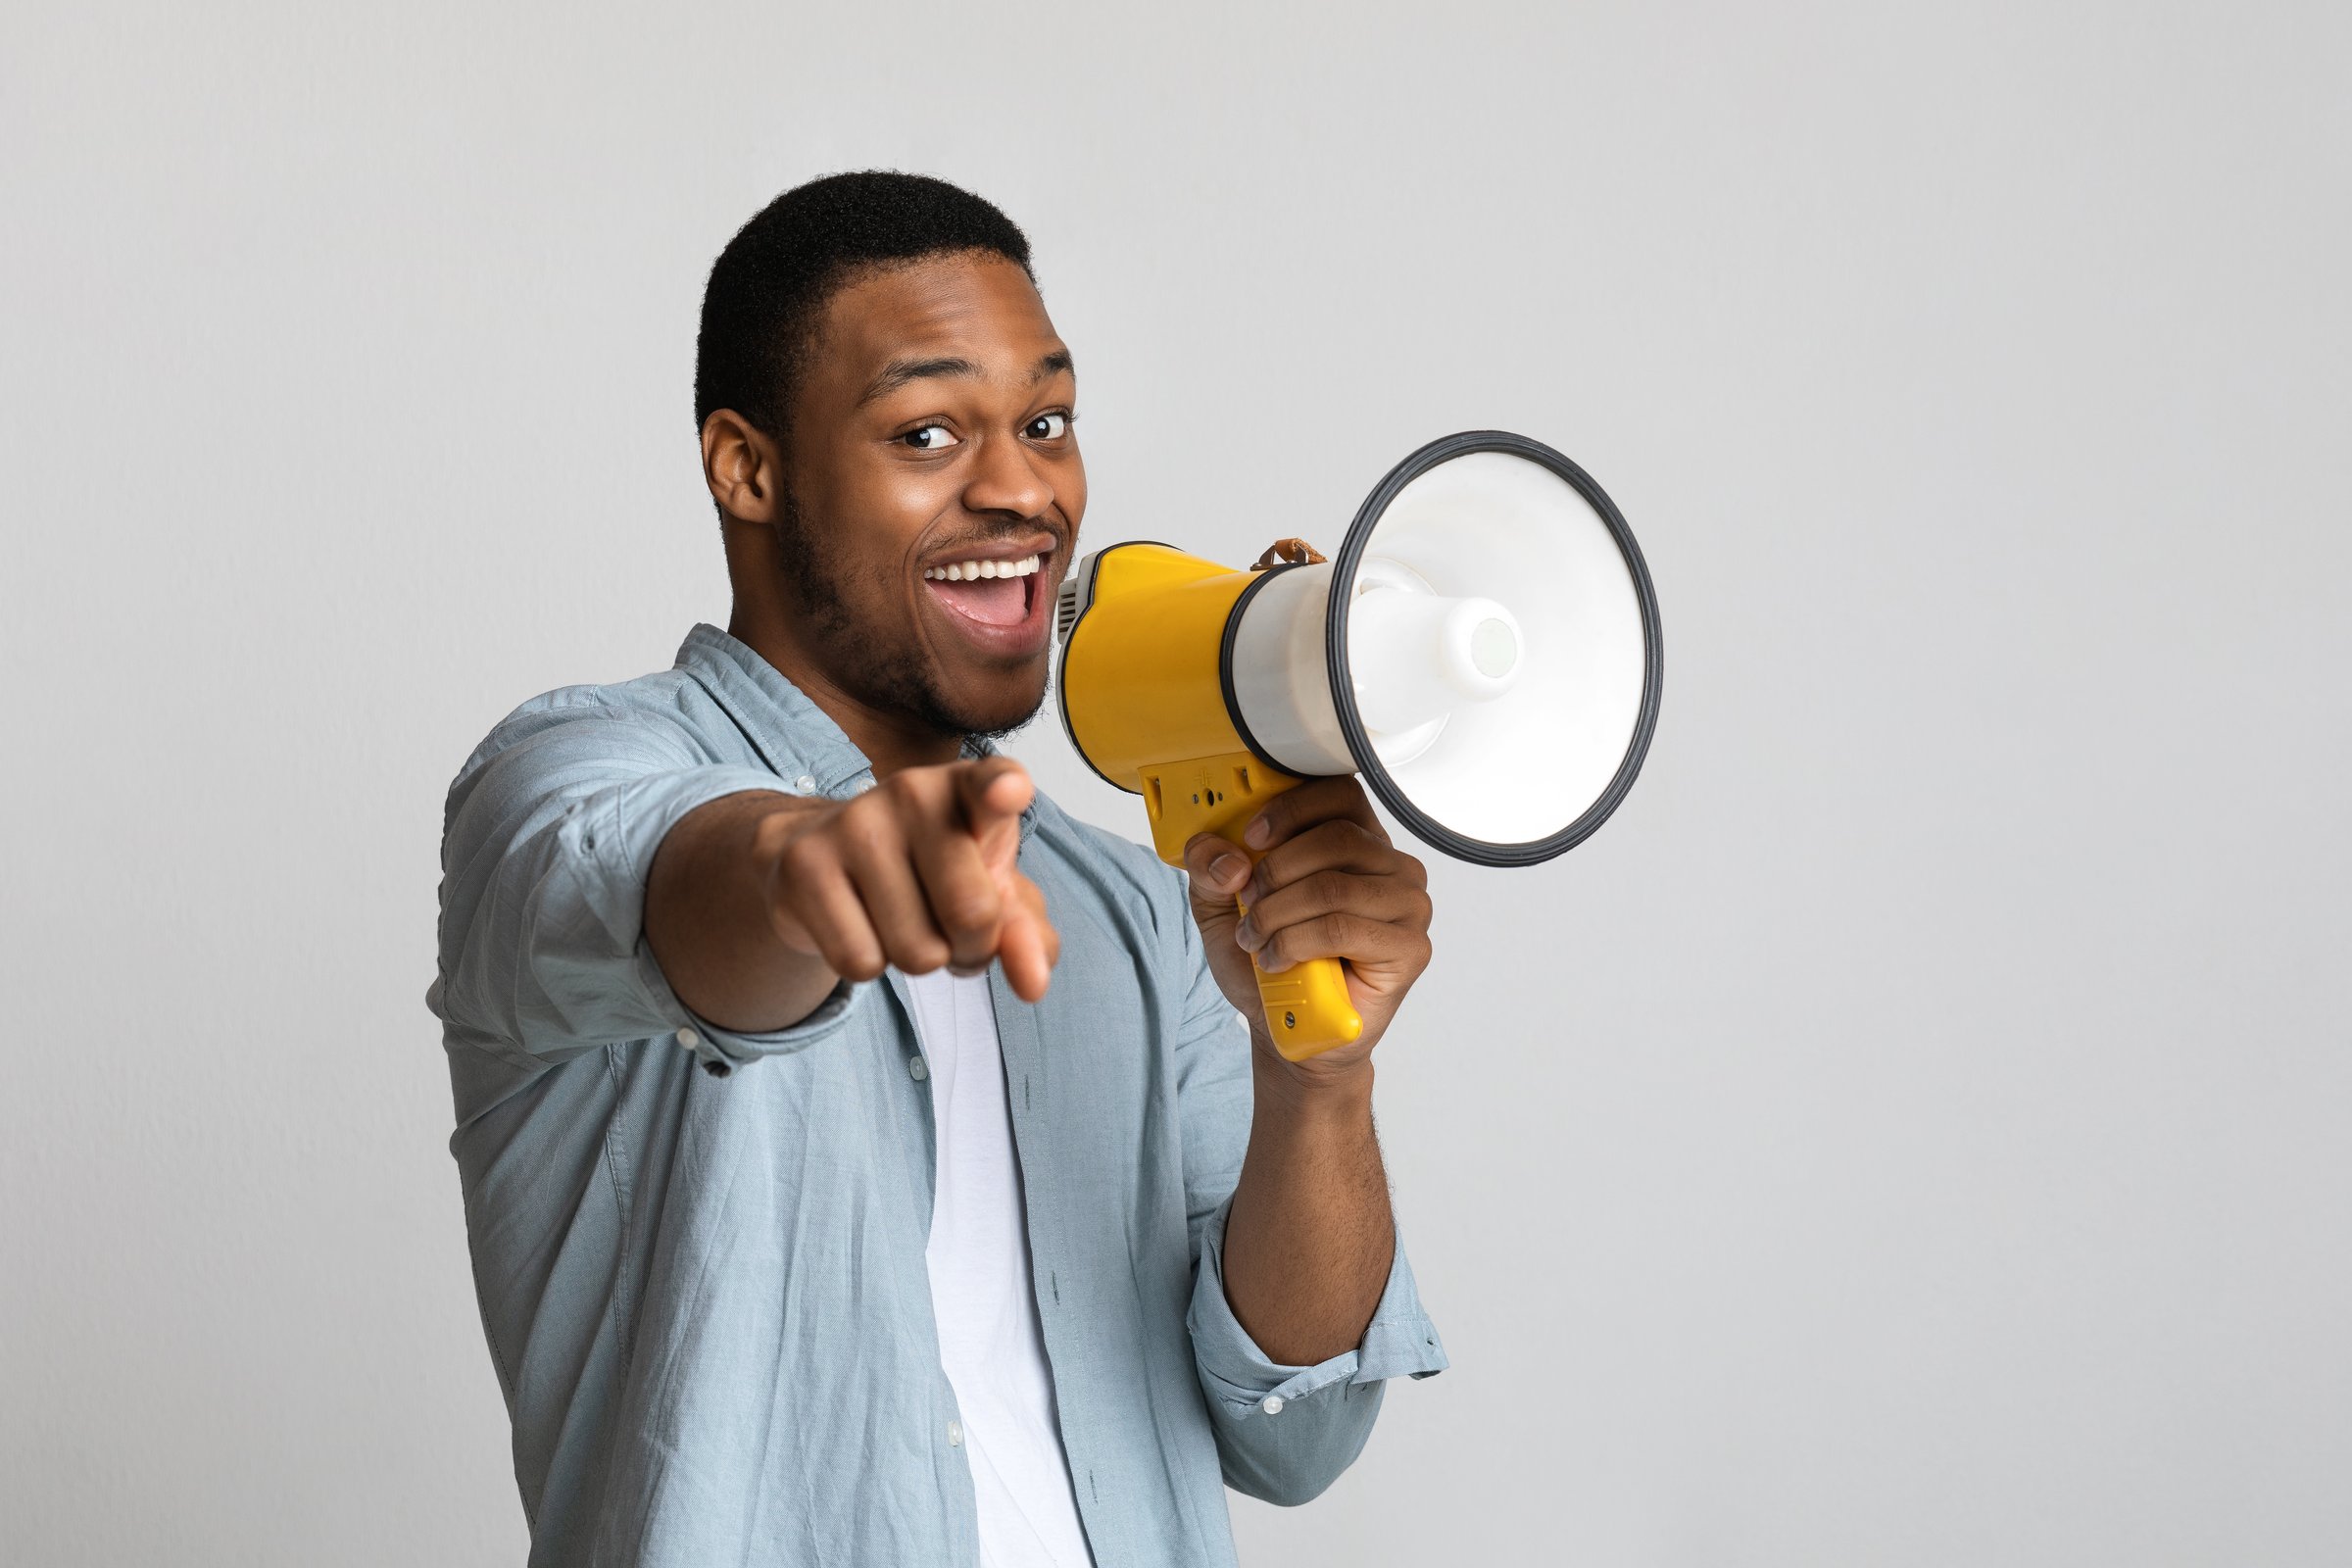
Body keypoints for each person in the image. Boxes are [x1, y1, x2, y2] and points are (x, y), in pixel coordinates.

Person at [429, 171, 1447, 1568]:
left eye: (1045, 421)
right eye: (927, 430)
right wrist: (818, 870)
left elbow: (1295, 1434)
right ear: (748, 467)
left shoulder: (1148, 908)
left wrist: (1319, 1077)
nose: (1024, 486)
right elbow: (664, 885)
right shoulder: (564, 776)